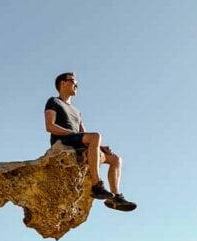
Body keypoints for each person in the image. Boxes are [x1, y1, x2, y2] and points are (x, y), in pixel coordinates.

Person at [44, 72, 137, 211]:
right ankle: (96, 185)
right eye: (73, 81)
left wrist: (100, 146)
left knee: (116, 159)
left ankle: (115, 198)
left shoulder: (77, 111)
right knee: (96, 136)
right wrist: (75, 134)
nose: (76, 85)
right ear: (62, 83)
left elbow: (84, 134)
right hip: (62, 140)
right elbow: (49, 126)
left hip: (77, 139)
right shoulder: (53, 101)